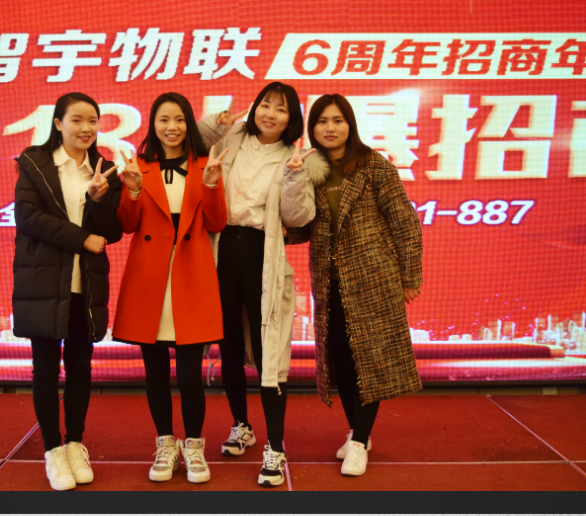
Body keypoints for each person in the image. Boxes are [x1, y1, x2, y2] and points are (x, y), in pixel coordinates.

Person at [285, 93, 423, 477]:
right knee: (341, 363)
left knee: (369, 362)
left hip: (373, 279)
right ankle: (358, 431)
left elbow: (405, 223)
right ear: (312, 128)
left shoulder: (374, 166)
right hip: (329, 284)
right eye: (322, 121)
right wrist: (276, 231)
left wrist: (410, 276)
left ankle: (359, 441)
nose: (330, 128)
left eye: (337, 120)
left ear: (350, 124)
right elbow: (304, 226)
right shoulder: (309, 168)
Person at [113, 93, 244, 484]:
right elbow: (127, 225)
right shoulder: (139, 166)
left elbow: (217, 223)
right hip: (149, 280)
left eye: (180, 120)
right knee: (155, 374)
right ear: (153, 125)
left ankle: (194, 447)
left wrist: (212, 185)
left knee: (189, 377)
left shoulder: (206, 164)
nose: (172, 127)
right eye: (163, 119)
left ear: (189, 124)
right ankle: (165, 444)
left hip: (191, 277)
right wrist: (132, 191)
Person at [12, 92, 122, 490]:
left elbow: (111, 232)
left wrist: (98, 201)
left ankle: (75, 443)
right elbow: (27, 217)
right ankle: (53, 450)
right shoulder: (36, 163)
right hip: (43, 282)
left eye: (92, 120)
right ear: (58, 123)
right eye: (77, 120)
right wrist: (80, 238)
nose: (86, 128)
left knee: (79, 367)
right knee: (45, 370)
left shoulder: (105, 170)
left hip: (85, 284)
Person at [209, 82, 316, 487]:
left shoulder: (296, 157)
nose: (270, 114)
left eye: (281, 109)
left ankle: (275, 446)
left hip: (262, 256)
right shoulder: (233, 137)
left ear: (292, 120)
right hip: (222, 253)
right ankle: (241, 425)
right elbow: (194, 141)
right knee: (228, 347)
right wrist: (216, 122)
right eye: (265, 105)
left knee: (269, 353)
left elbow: (298, 218)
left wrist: (295, 177)